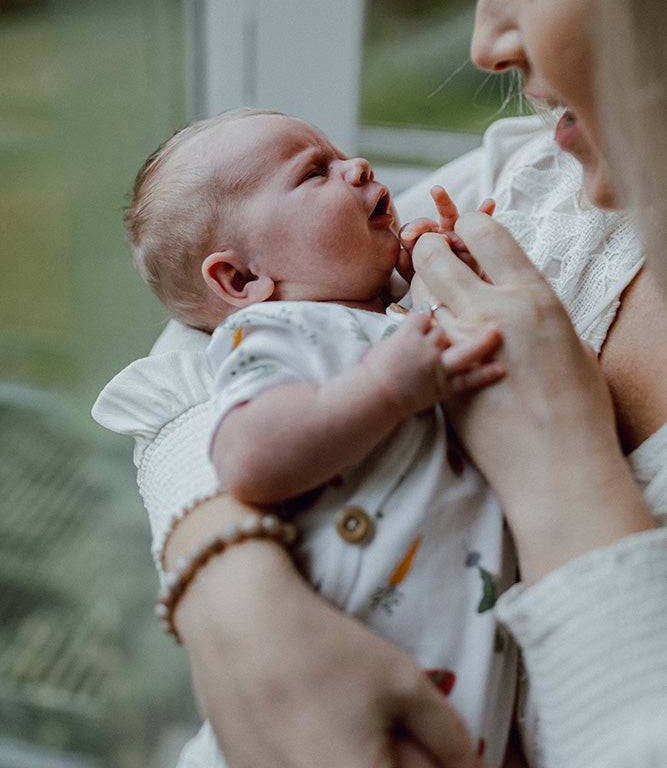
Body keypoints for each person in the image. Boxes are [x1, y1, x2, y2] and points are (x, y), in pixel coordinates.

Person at [95, 0, 667, 765]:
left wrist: (563, 468)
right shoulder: (542, 180)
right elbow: (191, 361)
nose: (485, 41)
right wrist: (226, 580)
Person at [94, 106, 516, 764]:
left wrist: (448, 272)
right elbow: (250, 457)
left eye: (338, 155)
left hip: (448, 702)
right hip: (318, 707)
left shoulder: (393, 311)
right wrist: (386, 386)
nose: (357, 167)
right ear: (241, 280)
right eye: (313, 172)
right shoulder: (274, 334)